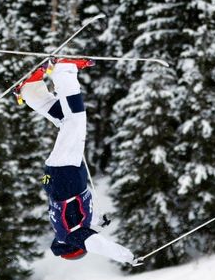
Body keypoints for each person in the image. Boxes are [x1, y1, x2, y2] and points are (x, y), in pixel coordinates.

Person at [16, 58, 135, 264]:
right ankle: (30, 90)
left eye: (84, 245)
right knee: (66, 120)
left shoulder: (71, 237)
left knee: (75, 119)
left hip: (66, 174)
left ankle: (64, 70)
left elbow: (97, 244)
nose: (86, 242)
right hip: (60, 175)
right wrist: (98, 221)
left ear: (76, 247)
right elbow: (78, 217)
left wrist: (126, 256)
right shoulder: (71, 230)